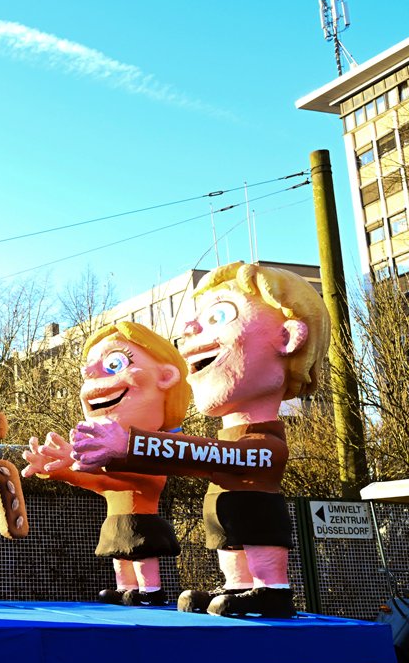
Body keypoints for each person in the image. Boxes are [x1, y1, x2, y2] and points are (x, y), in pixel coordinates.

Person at [70, 262, 329, 618]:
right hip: (227, 513)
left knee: (257, 533)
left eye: (218, 315)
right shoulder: (224, 444)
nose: (190, 328)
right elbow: (202, 454)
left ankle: (272, 590)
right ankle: (236, 586)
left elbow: (212, 456)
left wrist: (129, 444)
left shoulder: (267, 445)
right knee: (231, 544)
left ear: (287, 338)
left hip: (256, 510)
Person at [22, 321, 189, 606]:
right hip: (117, 521)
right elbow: (99, 482)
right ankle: (126, 590)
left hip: (142, 520)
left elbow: (140, 481)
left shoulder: (156, 452)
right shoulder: (108, 460)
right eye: (87, 369)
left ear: (166, 377)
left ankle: (151, 591)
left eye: (114, 363)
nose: (90, 373)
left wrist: (97, 463)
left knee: (141, 553)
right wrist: (58, 471)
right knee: (120, 556)